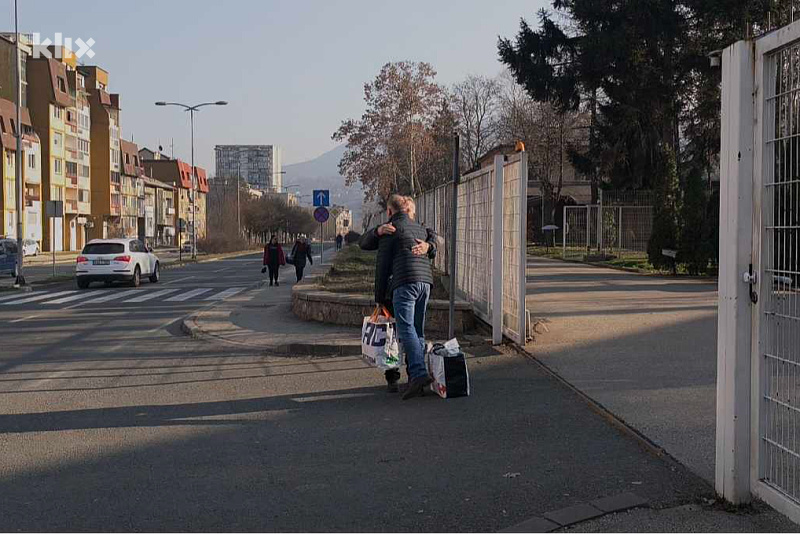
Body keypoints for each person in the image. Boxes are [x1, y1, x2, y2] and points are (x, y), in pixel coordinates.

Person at [359, 194, 437, 399]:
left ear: (389, 212)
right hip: (425, 284)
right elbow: (433, 238)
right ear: (407, 210)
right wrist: (430, 246)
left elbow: (382, 266)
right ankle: (416, 378)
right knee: (417, 331)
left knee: (405, 330)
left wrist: (379, 296)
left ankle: (418, 374)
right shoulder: (420, 228)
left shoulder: (391, 229)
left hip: (404, 284)